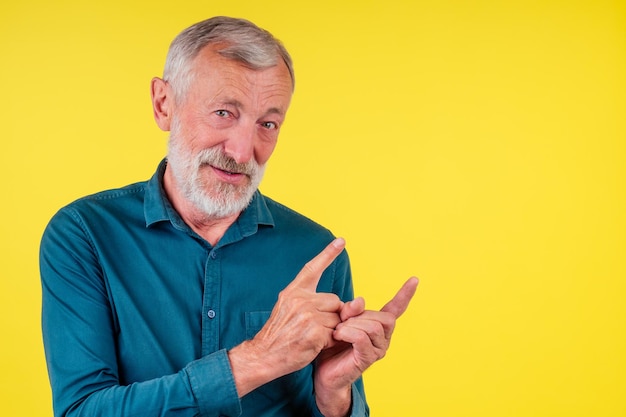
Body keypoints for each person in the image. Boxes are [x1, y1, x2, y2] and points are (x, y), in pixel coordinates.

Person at [40, 16, 418, 417]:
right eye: (223, 112)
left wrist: (333, 396)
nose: (242, 152)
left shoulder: (317, 252)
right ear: (163, 104)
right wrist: (258, 359)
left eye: (267, 123)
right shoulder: (85, 235)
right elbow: (80, 410)